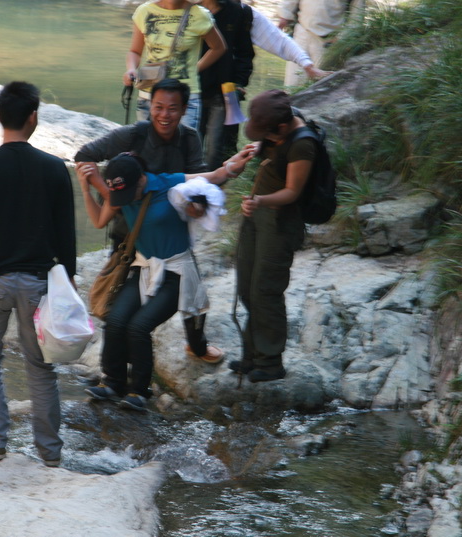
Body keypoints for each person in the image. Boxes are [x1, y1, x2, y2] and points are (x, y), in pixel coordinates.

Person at [0, 81, 76, 467]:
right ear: (33, 117)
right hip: (38, 283)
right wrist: (68, 286)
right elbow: (66, 236)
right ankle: (51, 454)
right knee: (41, 367)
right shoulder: (55, 168)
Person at [77, 150, 253, 411]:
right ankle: (112, 381)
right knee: (115, 321)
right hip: (143, 268)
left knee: (138, 327)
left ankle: (139, 390)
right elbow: (99, 220)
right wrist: (84, 187)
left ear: (141, 179)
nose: (125, 200)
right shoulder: (121, 190)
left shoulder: (169, 182)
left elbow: (214, 176)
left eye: (129, 193)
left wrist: (235, 163)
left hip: (176, 273)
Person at [75, 78, 224, 364]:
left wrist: (197, 206)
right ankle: (117, 367)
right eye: (158, 107)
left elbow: (202, 180)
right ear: (150, 106)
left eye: (172, 109)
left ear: (183, 110)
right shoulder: (133, 135)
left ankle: (197, 345)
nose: (164, 115)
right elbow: (85, 155)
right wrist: (109, 194)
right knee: (119, 297)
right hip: (127, 232)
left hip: (169, 226)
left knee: (189, 284)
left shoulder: (189, 137)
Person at [229, 89, 315, 382]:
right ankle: (252, 354)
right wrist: (254, 148)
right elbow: (266, 146)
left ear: (280, 127)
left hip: (279, 222)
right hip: (258, 217)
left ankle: (270, 362)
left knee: (266, 290)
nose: (261, 137)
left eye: (265, 133)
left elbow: (292, 191)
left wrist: (261, 201)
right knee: (247, 287)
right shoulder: (278, 127)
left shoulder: (303, 145)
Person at [125, 0, 226, 130]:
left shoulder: (199, 15)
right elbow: (135, 52)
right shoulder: (144, 11)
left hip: (185, 97)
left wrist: (195, 69)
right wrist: (131, 69)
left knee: (182, 147)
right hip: (149, 95)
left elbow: (218, 48)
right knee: (148, 147)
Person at [198, 0, 255, 171]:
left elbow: (245, 52)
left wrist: (239, 82)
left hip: (224, 92)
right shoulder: (187, 9)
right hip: (192, 91)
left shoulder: (239, 11)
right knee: (191, 145)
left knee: (216, 150)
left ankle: (210, 192)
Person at [277, 0, 365, 86]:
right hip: (302, 33)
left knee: (320, 85)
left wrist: (340, 38)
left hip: (328, 43)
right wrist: (284, 17)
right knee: (292, 83)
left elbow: (356, 19)